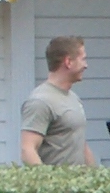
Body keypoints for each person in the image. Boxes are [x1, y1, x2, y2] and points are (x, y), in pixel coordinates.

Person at [21, 35, 96, 167]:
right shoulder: (41, 101)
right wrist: (47, 179)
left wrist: (95, 174)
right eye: (83, 59)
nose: (86, 65)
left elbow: (80, 144)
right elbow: (27, 150)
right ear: (68, 62)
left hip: (80, 180)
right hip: (58, 180)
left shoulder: (73, 97)